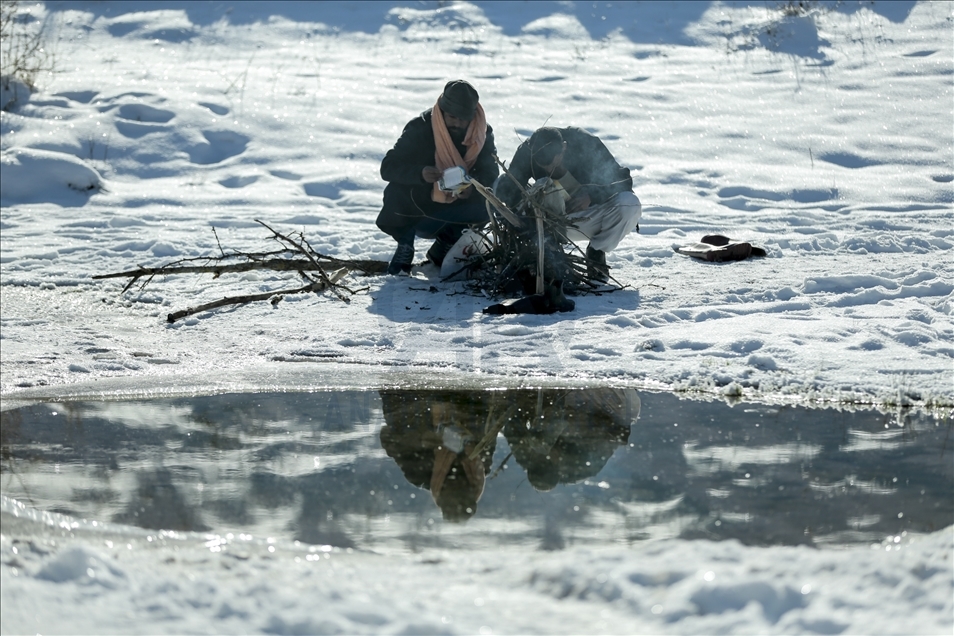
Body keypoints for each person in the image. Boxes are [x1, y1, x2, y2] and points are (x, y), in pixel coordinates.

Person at [376, 80, 499, 275]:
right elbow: (388, 167)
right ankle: (405, 246)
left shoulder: (482, 133)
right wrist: (420, 173)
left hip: (458, 208)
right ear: (441, 111)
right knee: (395, 189)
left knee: (492, 197)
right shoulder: (420, 128)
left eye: (463, 119)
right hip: (420, 208)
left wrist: (472, 188)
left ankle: (445, 246)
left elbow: (491, 173)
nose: (458, 123)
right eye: (452, 117)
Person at [494, 126, 641, 282]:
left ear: (563, 147)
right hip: (551, 223)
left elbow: (622, 180)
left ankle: (596, 251)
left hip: (589, 215)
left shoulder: (585, 143)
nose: (548, 168)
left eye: (552, 163)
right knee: (542, 183)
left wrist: (591, 196)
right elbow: (510, 188)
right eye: (543, 165)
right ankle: (550, 250)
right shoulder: (528, 151)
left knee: (629, 204)